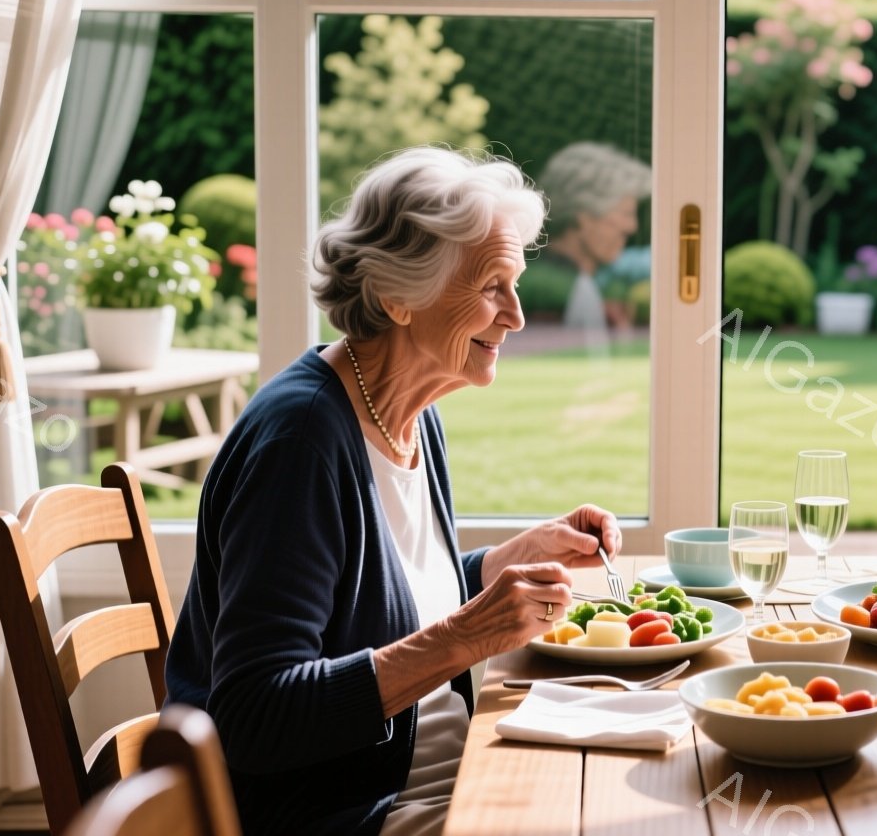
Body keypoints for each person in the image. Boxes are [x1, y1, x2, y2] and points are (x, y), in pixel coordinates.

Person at [165, 147, 623, 836]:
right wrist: (467, 638)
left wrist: (503, 563)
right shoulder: (302, 443)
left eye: (517, 284)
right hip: (349, 812)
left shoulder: (407, 410)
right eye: (493, 286)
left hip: (445, 771)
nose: (517, 317)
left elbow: (382, 605)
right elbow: (256, 717)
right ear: (396, 297)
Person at [536, 141, 651, 333]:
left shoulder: (572, 280)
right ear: (584, 215)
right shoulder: (571, 290)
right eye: (626, 213)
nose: (632, 227)